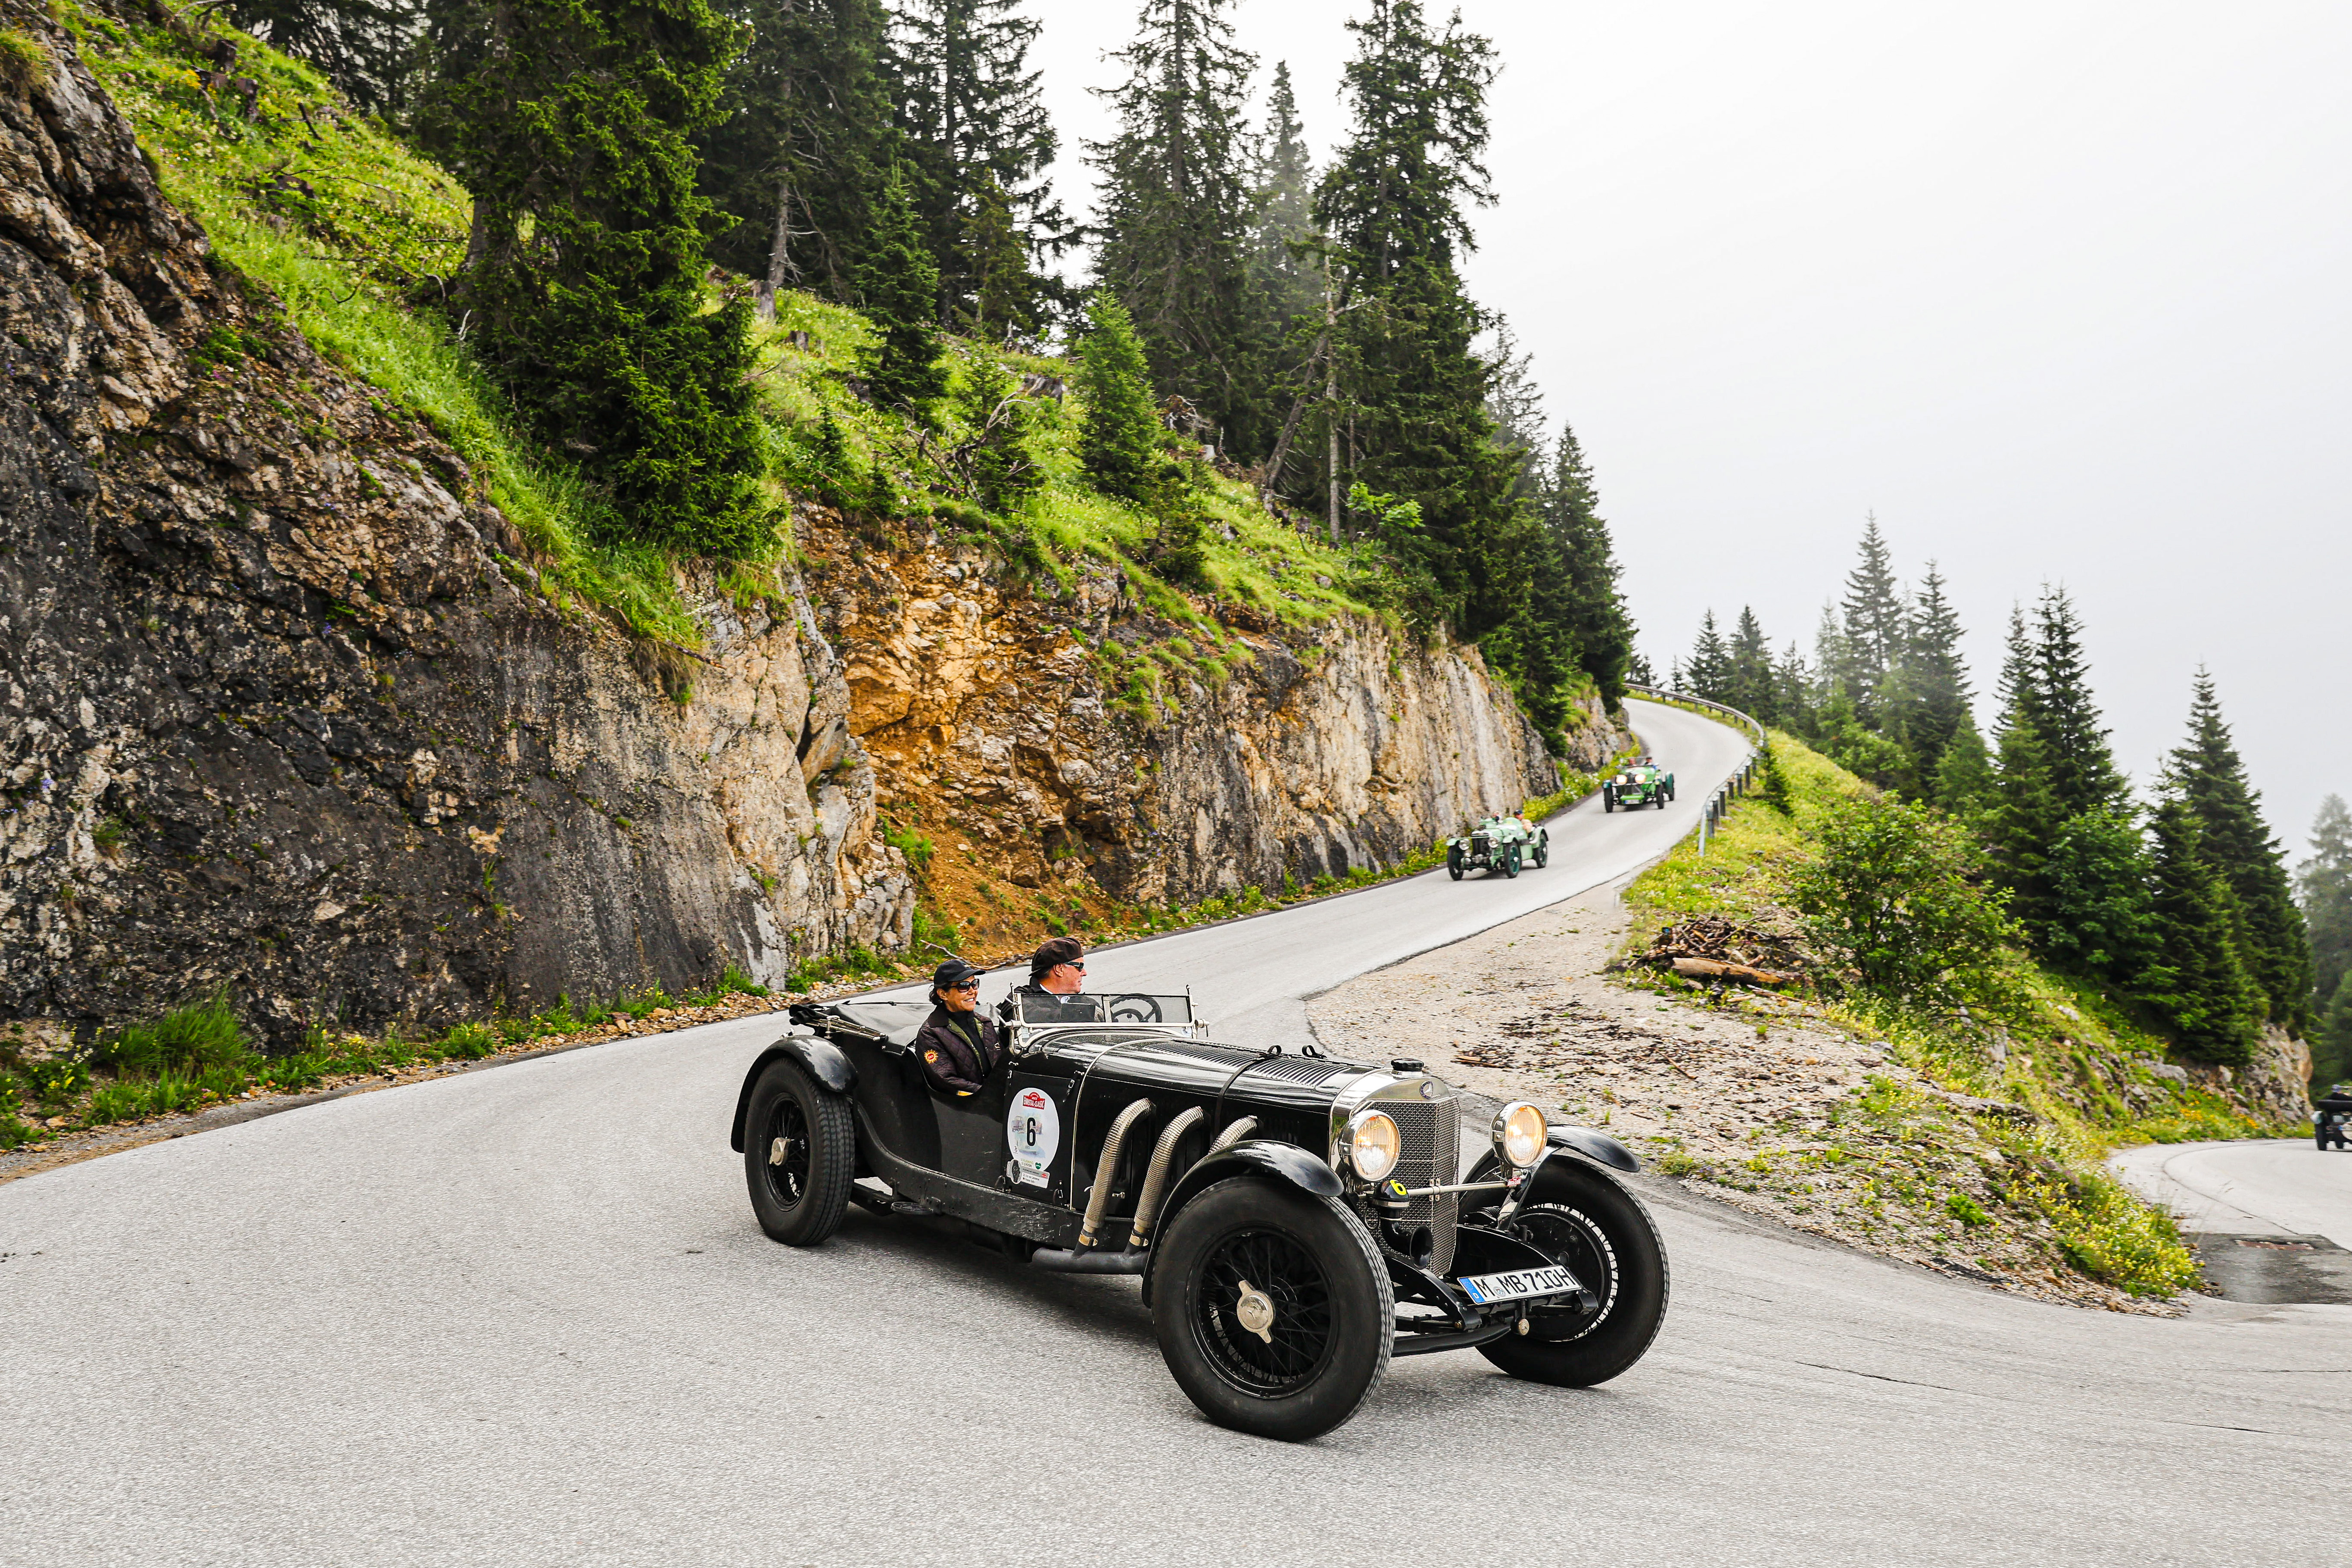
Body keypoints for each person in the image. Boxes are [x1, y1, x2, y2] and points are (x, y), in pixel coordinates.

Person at [914, 957, 1001, 1098]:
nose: (972, 991)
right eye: (964, 986)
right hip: (966, 1109)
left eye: (975, 984)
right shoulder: (930, 1034)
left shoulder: (985, 1024)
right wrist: (989, 1094)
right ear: (943, 994)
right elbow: (946, 1080)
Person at [1001, 935, 1104, 1025]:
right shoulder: (1020, 998)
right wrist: (1079, 1014)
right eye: (1080, 967)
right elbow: (1019, 1015)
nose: (1084, 973)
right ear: (1059, 969)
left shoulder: (1088, 1003)